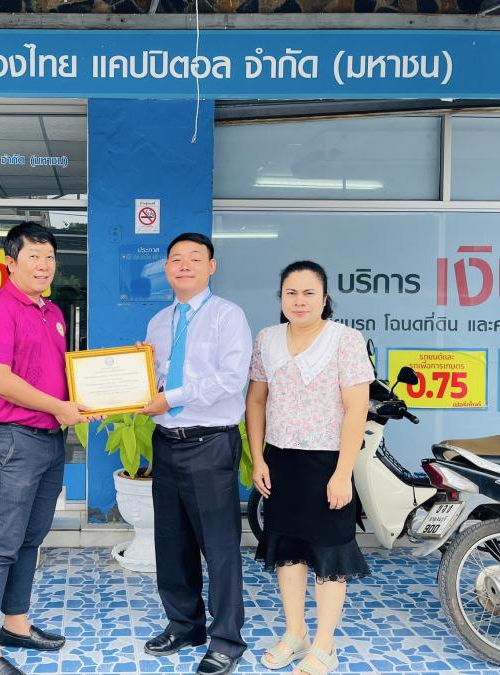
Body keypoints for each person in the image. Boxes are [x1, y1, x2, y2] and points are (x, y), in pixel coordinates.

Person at [0, 222, 87, 675]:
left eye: (49, 256)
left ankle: (15, 623)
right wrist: (59, 407)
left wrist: (84, 401)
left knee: (30, 538)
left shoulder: (51, 311)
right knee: (1, 545)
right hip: (12, 441)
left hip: (49, 439)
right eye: (33, 256)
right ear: (10, 263)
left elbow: (54, 375)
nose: (43, 265)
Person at [245, 260, 373, 675]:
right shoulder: (267, 339)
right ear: (281, 297)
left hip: (327, 463)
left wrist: (342, 473)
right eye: (291, 293)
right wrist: (258, 458)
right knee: (288, 552)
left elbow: (356, 409)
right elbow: (256, 401)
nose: (299, 301)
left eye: (308, 293)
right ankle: (295, 633)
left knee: (329, 554)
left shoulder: (345, 340)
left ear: (324, 298)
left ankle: (324, 645)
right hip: (280, 461)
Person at [140, 232, 252, 675]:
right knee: (171, 542)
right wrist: (139, 376)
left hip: (210, 443)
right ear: (166, 268)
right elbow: (156, 379)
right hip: (167, 442)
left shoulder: (228, 316)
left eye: (194, 258)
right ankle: (184, 624)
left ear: (211, 266)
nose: (184, 265)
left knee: (219, 546)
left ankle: (226, 639)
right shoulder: (158, 322)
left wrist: (170, 397)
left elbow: (231, 379)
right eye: (176, 259)